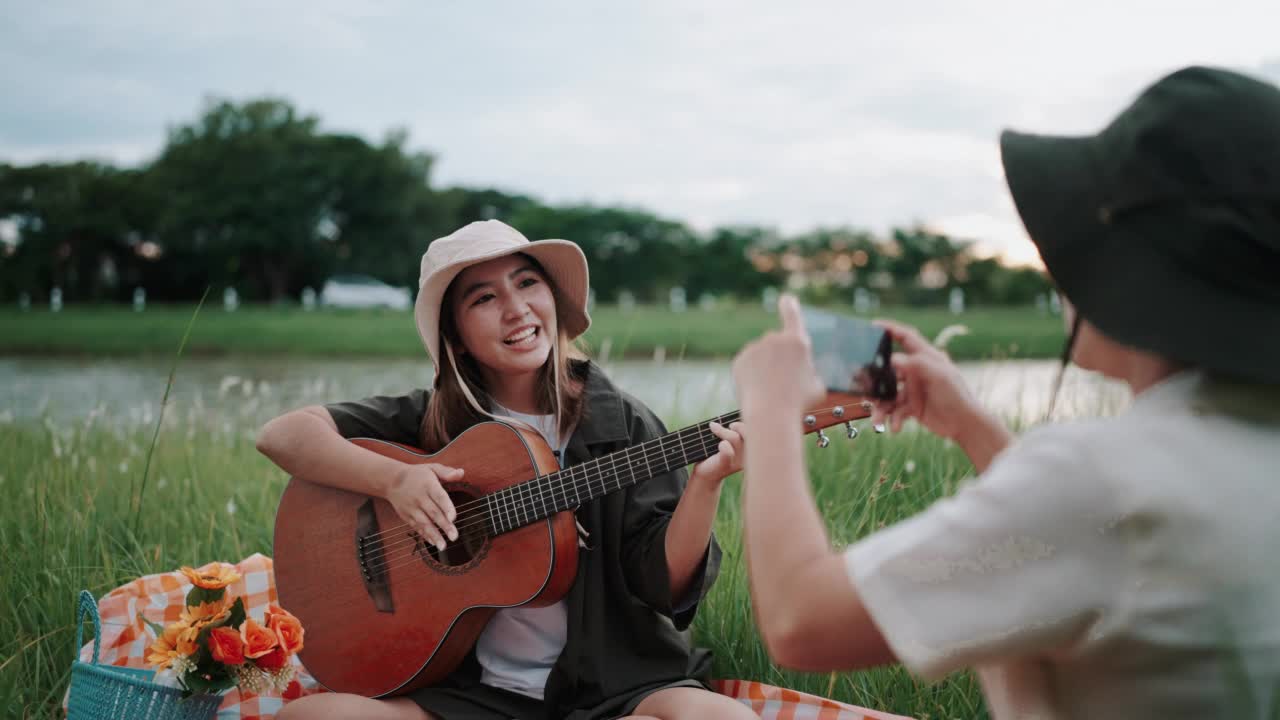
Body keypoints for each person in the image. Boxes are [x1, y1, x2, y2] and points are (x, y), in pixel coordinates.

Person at [731, 66, 1280, 719]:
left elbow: (800, 619)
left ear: (1132, 269)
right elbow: (1088, 540)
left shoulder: (1104, 477)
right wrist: (970, 424)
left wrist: (768, 409)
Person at [259, 220, 755, 720]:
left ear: (553, 299)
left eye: (526, 282)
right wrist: (396, 480)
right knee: (307, 717)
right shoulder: (433, 420)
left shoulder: (625, 423)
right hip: (475, 693)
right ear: (455, 339)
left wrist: (706, 483)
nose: (516, 309)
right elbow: (281, 435)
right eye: (484, 299)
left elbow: (665, 585)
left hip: (618, 684)